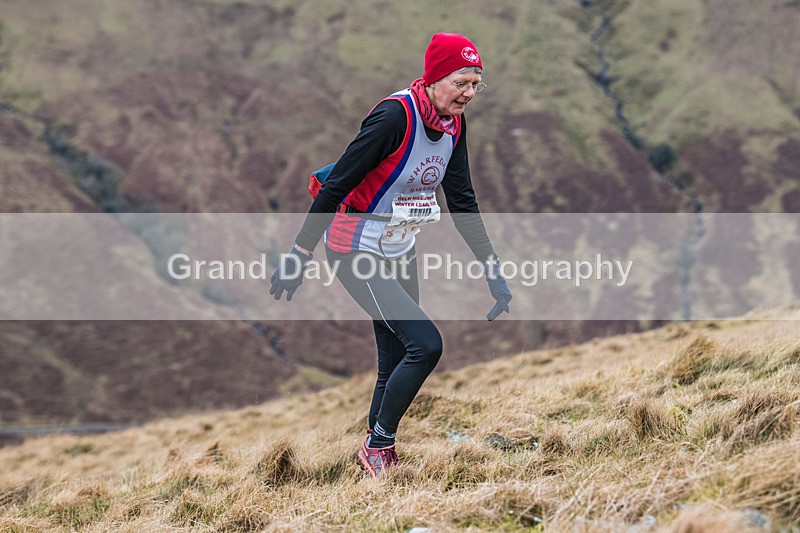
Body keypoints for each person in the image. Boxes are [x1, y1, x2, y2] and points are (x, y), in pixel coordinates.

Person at [269, 33, 512, 477]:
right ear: (436, 77)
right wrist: (298, 255)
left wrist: (492, 270)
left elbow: (462, 200)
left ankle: (371, 456)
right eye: (461, 82)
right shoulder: (392, 117)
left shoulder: (455, 125)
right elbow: (338, 184)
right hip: (353, 245)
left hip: (400, 244)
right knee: (426, 345)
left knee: (396, 356)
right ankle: (378, 448)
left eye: (477, 84)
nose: (469, 93)